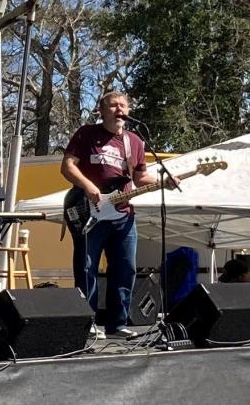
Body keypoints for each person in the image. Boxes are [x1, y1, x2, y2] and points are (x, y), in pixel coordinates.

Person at [60, 90, 175, 338]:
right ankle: (86, 323)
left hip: (123, 214)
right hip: (90, 210)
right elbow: (67, 166)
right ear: (101, 111)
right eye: (113, 106)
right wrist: (88, 186)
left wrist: (163, 181)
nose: (119, 110)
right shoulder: (87, 134)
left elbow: (140, 177)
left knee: (125, 268)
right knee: (86, 268)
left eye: (123, 106)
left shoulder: (134, 141)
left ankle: (117, 324)